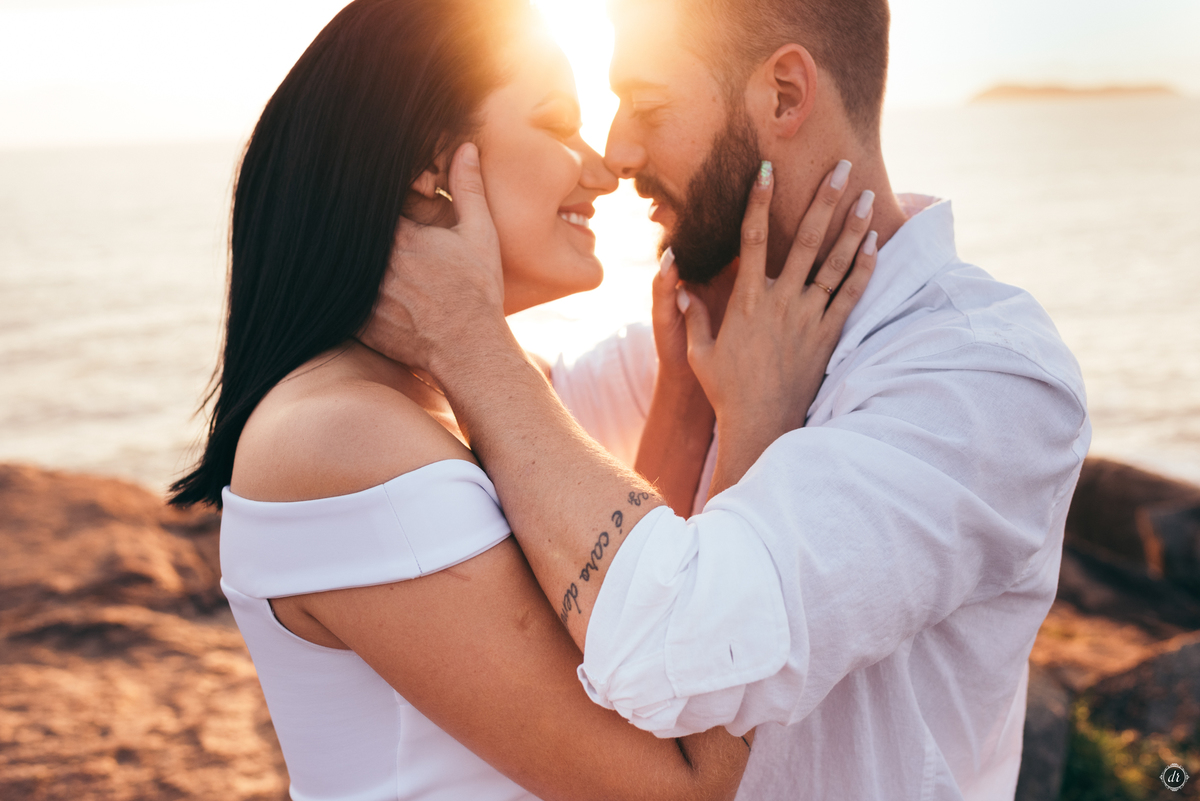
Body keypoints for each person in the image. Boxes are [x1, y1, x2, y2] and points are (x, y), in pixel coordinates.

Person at [360, 0, 1092, 798]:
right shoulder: (701, 335)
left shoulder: (981, 378)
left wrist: (466, 336)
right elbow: (510, 439)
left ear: (784, 95)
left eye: (647, 104)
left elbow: (679, 648)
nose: (618, 149)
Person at [169, 0, 876, 799]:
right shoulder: (339, 436)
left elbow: (622, 649)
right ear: (432, 162)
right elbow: (683, 783)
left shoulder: (421, 402)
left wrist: (683, 400)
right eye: (556, 124)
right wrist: (759, 422)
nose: (602, 168)